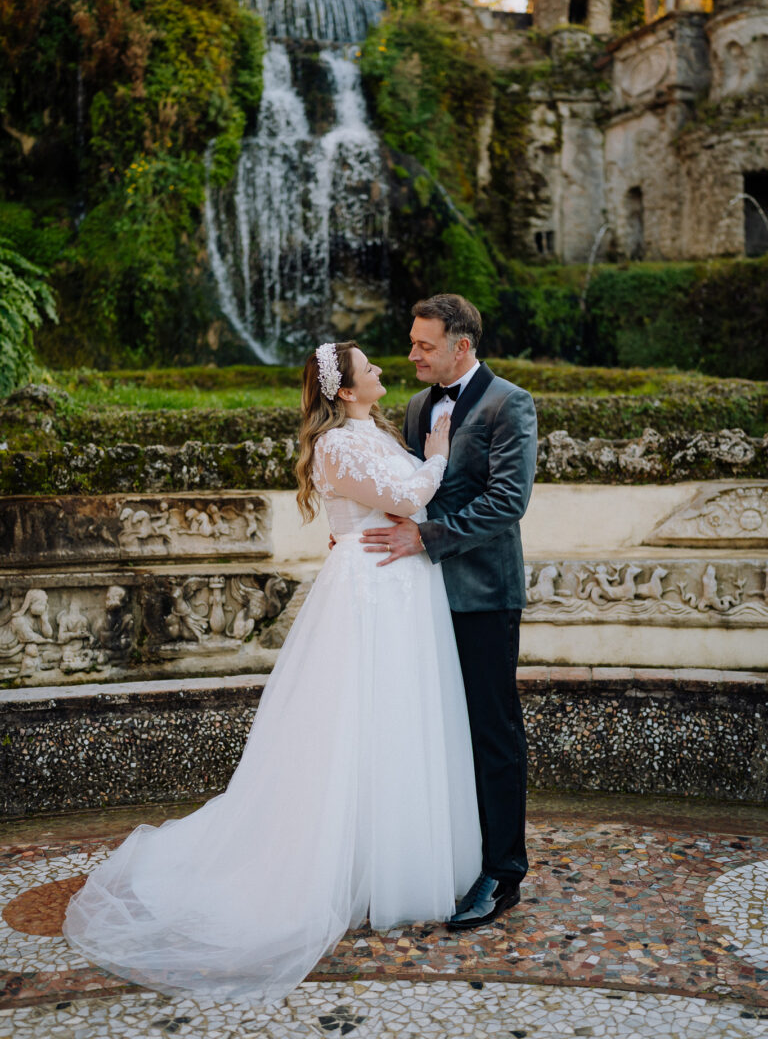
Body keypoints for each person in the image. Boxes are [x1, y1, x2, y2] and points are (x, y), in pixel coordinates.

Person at [63, 342, 481, 1002]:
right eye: (370, 367)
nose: (381, 371)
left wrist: (418, 473)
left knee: (398, 723)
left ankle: (386, 862)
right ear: (346, 390)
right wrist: (436, 450)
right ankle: (325, 867)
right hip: (369, 593)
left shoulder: (371, 430)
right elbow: (408, 493)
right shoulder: (339, 447)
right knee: (351, 726)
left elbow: (405, 505)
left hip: (401, 589)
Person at [362, 294, 538, 931]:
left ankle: (502, 873)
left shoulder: (508, 403)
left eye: (424, 345)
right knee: (437, 732)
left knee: (494, 733)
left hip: (484, 595)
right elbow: (413, 489)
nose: (411, 354)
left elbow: (506, 503)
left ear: (461, 346)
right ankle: (453, 857)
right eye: (412, 342)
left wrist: (425, 538)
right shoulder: (415, 407)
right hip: (422, 598)